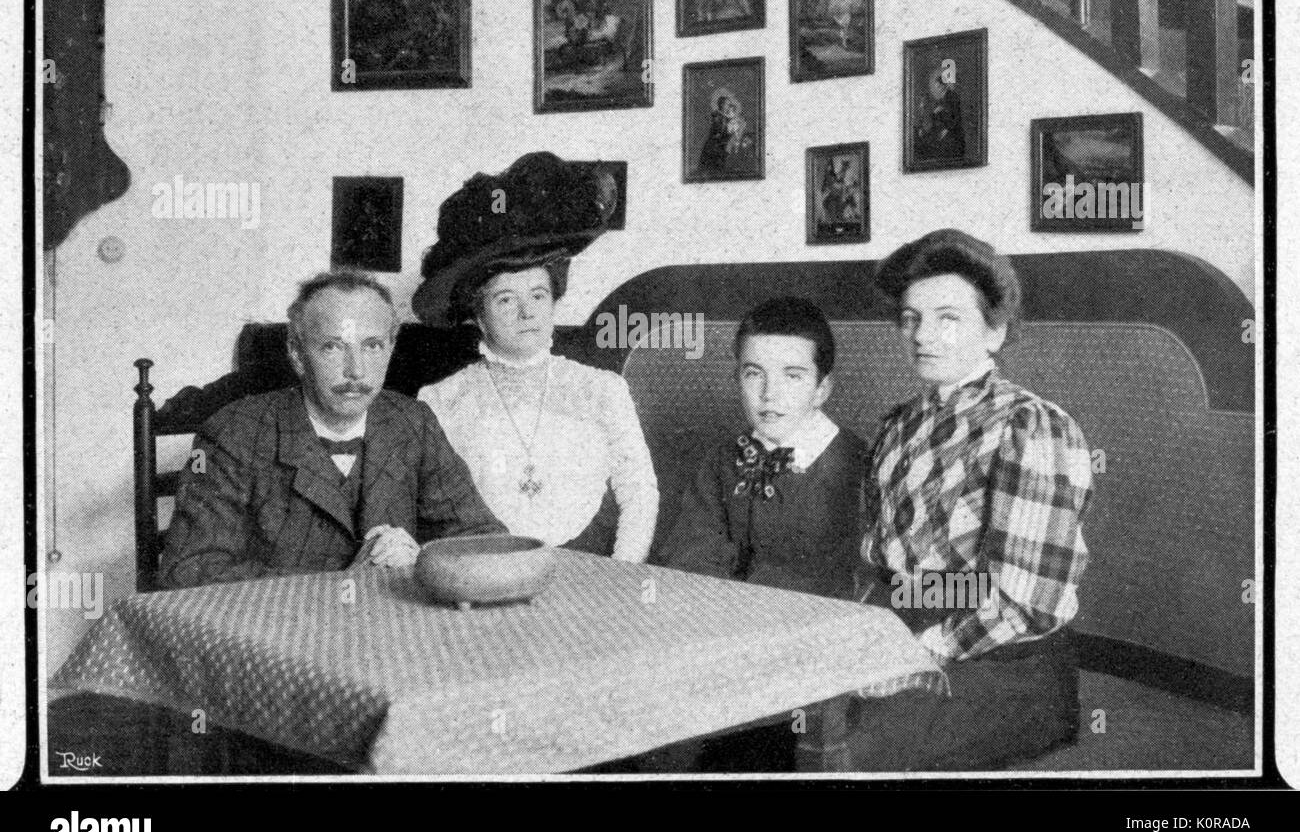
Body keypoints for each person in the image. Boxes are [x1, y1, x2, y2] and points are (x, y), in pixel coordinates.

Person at [848, 229, 1093, 771]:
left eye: (948, 317)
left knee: (846, 750)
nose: (922, 335)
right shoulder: (899, 424)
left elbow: (1027, 600)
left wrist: (923, 650)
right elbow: (883, 568)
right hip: (905, 619)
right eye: (911, 318)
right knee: (777, 712)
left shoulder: (1031, 426)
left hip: (1003, 660)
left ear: (996, 331)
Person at [159, 269, 506, 589]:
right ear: (297, 355)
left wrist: (421, 560)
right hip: (278, 639)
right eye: (333, 347)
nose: (356, 371)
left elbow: (484, 536)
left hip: (390, 632)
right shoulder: (233, 434)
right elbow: (187, 571)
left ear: (390, 349)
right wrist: (343, 580)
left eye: (372, 346)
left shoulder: (412, 422)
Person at [413, 152, 658, 562]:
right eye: (506, 299)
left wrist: (621, 573)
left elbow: (639, 493)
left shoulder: (602, 389)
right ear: (479, 315)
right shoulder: (440, 400)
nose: (527, 313)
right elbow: (434, 516)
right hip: (486, 575)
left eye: (539, 295)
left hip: (594, 574)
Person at [658, 296, 868, 599]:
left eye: (792, 376)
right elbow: (690, 551)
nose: (770, 394)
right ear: (737, 379)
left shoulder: (855, 463)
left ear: (822, 389)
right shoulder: (724, 459)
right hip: (723, 617)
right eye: (754, 374)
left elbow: (844, 577)